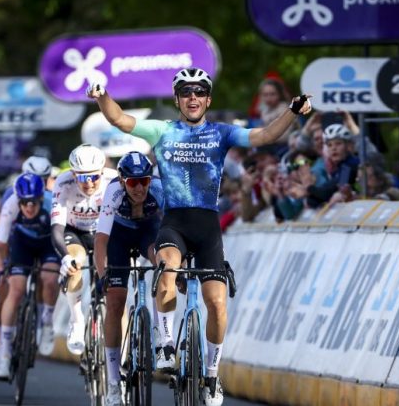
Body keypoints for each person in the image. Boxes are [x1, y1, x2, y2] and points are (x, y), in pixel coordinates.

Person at [87, 66, 312, 406]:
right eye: (186, 92)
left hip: (208, 227)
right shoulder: (162, 130)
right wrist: (103, 96)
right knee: (166, 268)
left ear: (208, 99)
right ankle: (164, 346)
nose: (192, 97)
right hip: (174, 223)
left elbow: (265, 136)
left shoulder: (223, 133)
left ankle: (211, 375)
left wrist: (292, 111)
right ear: (177, 98)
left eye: (199, 92)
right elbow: (120, 120)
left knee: (218, 305)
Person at [94, 151, 164, 406]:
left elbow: (172, 232)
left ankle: (159, 334)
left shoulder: (159, 189)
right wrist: (103, 275)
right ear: (123, 181)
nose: (139, 188)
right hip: (119, 239)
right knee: (115, 302)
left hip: (148, 233)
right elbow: (101, 240)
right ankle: (114, 382)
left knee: (162, 263)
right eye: (133, 182)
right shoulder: (113, 193)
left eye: (144, 181)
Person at [0, 173, 60, 379]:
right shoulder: (11, 204)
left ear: (41, 198)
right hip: (22, 244)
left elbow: (64, 235)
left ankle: (46, 322)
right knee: (16, 289)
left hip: (48, 243)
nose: (28, 207)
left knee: (49, 278)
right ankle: (4, 351)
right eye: (24, 202)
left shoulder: (52, 203)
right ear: (18, 200)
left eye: (33, 202)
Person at [53, 144, 119, 355]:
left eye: (94, 177)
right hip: (75, 232)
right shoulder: (63, 183)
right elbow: (56, 229)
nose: (89, 183)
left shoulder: (114, 179)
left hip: (104, 233)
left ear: (102, 172)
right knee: (75, 263)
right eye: (82, 178)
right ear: (73, 174)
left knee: (115, 284)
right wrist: (65, 258)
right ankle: (77, 321)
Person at [305, 123, 359, 207]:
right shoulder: (339, 168)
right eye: (329, 145)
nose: (333, 148)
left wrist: (308, 187)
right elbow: (315, 200)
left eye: (338, 143)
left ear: (348, 146)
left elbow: (325, 194)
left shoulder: (350, 166)